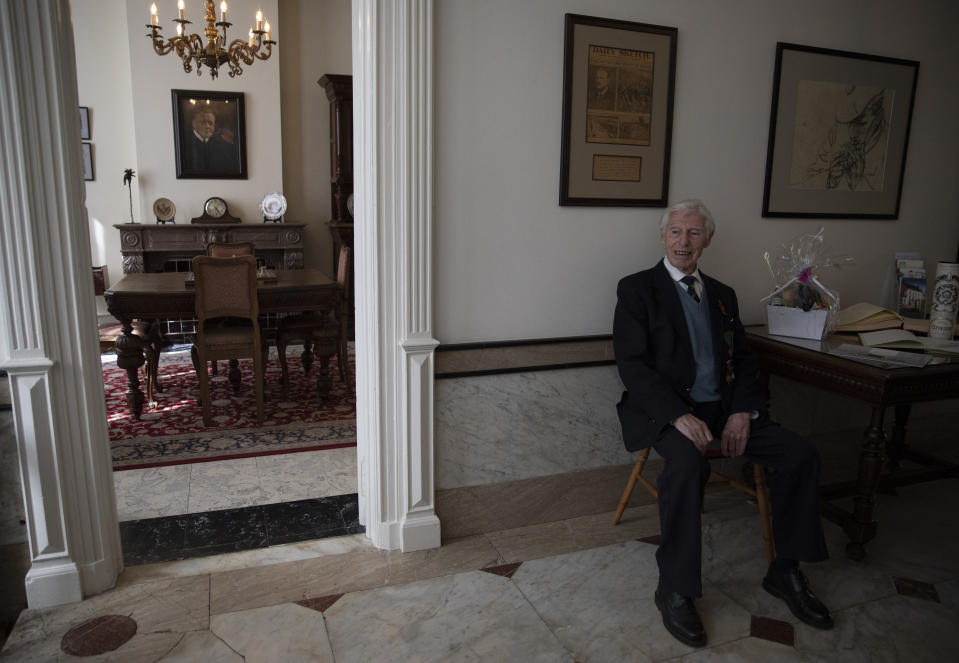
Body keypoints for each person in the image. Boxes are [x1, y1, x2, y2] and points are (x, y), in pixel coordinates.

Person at [613, 199, 832, 648]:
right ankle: (674, 587)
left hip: (725, 410)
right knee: (690, 466)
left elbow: (746, 362)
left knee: (800, 455)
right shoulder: (636, 289)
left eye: (694, 233)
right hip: (666, 412)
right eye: (676, 231)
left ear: (707, 240)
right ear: (662, 236)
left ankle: (785, 571)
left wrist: (741, 411)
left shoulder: (722, 294)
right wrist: (677, 414)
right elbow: (633, 366)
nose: (683, 242)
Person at [183, 107, 237, 174]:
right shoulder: (184, 144)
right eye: (203, 122)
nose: (207, 126)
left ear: (214, 125)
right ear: (194, 124)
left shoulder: (224, 145)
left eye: (210, 123)